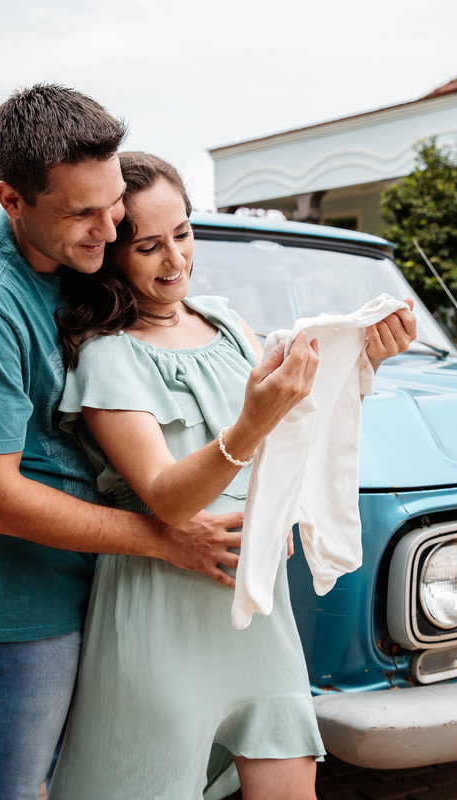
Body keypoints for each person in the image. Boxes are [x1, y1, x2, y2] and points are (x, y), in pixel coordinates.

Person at [0, 85, 250, 800]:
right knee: (6, 789)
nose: (106, 232)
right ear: (12, 199)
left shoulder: (73, 254)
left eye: (113, 209)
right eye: (82, 214)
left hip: (101, 582)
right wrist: (166, 538)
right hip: (16, 601)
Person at [48, 152, 416, 799]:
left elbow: (300, 423)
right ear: (112, 254)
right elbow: (165, 497)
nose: (175, 261)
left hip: (255, 606)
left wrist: (366, 359)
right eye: (149, 246)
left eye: (184, 234)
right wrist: (249, 425)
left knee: (289, 781)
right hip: (161, 608)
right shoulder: (108, 358)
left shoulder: (225, 322)